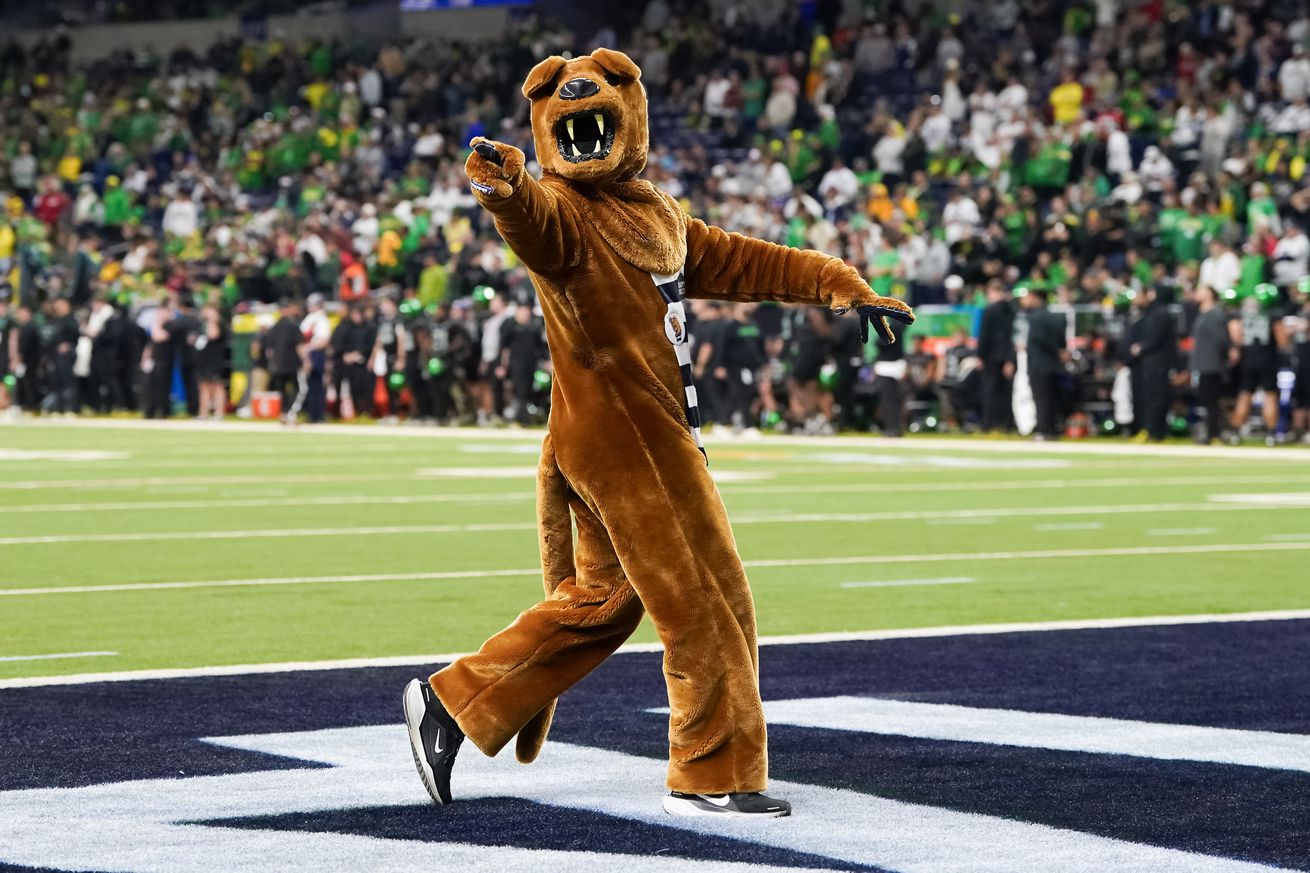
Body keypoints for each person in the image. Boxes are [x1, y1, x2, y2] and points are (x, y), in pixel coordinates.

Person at [1229, 293, 1287, 444]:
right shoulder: (1273, 315)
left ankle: (1235, 432)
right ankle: (1271, 433)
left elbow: (1237, 337)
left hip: (1248, 360)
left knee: (1245, 395)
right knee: (1270, 396)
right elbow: (1283, 342)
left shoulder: (1243, 315)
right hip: (1267, 359)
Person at [1128, 286, 1178, 441]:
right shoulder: (1151, 313)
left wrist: (1141, 347)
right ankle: (1151, 430)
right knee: (1149, 397)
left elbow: (1155, 338)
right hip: (1150, 363)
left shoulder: (1160, 314)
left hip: (1157, 363)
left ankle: (1153, 431)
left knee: (1155, 397)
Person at [1190, 285, 1231, 444]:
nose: (1197, 292)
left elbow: (1221, 340)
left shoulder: (1215, 314)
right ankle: (1212, 432)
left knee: (1211, 401)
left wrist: (1222, 359)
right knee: (1207, 400)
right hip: (1203, 362)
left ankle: (1214, 434)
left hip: (1211, 363)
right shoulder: (1203, 314)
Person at [1023, 289, 1066, 439]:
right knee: (1052, 400)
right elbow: (1061, 343)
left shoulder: (1035, 318)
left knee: (1041, 400)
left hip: (1039, 366)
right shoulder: (1055, 318)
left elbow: (1040, 341)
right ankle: (1053, 430)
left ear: (1035, 297)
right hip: (1054, 366)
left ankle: (1044, 430)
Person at [976, 278, 1016, 432]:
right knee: (1007, 392)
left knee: (990, 391)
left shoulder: (989, 311)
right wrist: (1010, 358)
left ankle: (988, 424)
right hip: (1008, 357)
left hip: (991, 357)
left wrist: (980, 355)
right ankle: (1007, 424)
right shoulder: (1011, 310)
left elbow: (985, 335)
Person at [331, 304, 375, 419]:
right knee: (345, 388)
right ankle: (340, 413)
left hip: (362, 362)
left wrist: (359, 354)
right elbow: (338, 344)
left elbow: (371, 344)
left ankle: (365, 412)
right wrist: (346, 355)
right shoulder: (345, 327)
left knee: (363, 388)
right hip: (345, 362)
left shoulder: (369, 328)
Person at [265, 298, 305, 423]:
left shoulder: (275, 327)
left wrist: (272, 364)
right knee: (298, 389)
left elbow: (269, 350)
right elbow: (299, 346)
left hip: (278, 364)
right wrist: (305, 361)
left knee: (282, 390)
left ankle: (283, 413)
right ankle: (291, 414)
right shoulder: (293, 325)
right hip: (292, 363)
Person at [299, 293, 331, 423]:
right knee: (307, 384)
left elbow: (324, 341)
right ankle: (310, 412)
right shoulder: (310, 318)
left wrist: (308, 348)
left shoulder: (321, 319)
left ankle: (317, 415)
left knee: (315, 384)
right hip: (307, 352)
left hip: (314, 354)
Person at [195, 303, 228, 420]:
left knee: (217, 385)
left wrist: (212, 320)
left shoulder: (219, 324)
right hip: (203, 359)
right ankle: (203, 412)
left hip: (215, 360)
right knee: (203, 385)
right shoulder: (202, 325)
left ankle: (219, 412)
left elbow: (213, 335)